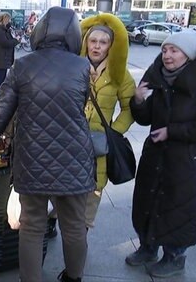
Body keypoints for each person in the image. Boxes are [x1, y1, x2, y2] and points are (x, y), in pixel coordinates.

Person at [0, 6, 96, 282]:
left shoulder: (23, 65)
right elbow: (80, 106)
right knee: (74, 227)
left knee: (31, 227)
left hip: (33, 160)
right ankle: (74, 277)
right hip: (74, 160)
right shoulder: (82, 67)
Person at [127, 31, 196, 278]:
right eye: (164, 50)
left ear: (189, 55)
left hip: (187, 162)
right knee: (149, 202)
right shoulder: (159, 81)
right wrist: (138, 101)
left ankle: (175, 256)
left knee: (179, 206)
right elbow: (145, 117)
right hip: (156, 157)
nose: (167, 56)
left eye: (174, 51)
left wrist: (173, 132)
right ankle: (148, 247)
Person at [46, 13, 135, 237]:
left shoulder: (120, 75)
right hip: (68, 141)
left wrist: (113, 132)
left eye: (103, 42)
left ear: (110, 46)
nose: (97, 46)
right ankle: (51, 221)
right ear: (86, 42)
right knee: (59, 186)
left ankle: (79, 237)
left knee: (91, 193)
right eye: (93, 41)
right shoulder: (72, 67)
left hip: (97, 148)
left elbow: (129, 108)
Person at [0, 12, 19, 102]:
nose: (9, 21)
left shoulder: (4, 30)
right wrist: (16, 41)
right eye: (8, 20)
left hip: (3, 59)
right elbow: (5, 43)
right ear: (4, 19)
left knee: (1, 79)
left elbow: (8, 40)